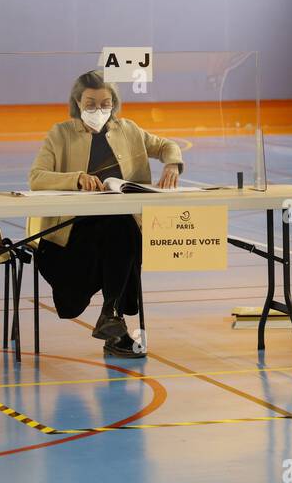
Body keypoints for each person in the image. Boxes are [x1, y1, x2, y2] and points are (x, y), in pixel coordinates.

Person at [28, 70, 184, 359]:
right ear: (77, 102)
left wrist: (172, 164)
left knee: (120, 224)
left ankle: (112, 317)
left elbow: (167, 146)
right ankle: (114, 319)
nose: (98, 110)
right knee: (124, 230)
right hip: (72, 235)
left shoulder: (129, 130)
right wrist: (75, 178)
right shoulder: (60, 134)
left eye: (105, 103)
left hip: (116, 231)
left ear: (114, 103)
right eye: (90, 104)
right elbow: (36, 177)